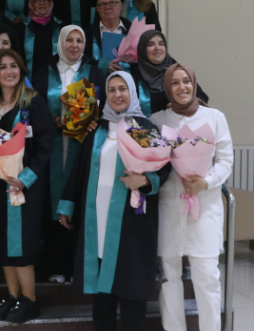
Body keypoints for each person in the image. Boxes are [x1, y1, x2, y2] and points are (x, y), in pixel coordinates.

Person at [58, 71, 170, 331]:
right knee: (102, 293)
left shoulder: (143, 127)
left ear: (132, 93)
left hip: (131, 222)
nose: (117, 94)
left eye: (123, 89)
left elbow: (164, 168)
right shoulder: (97, 129)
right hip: (97, 219)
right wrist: (67, 204)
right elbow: (79, 169)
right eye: (112, 90)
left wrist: (144, 181)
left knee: (131, 287)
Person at [150, 63, 232, 331]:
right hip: (169, 207)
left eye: (186, 81)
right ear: (167, 88)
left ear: (194, 84)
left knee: (207, 276)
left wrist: (205, 182)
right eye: (174, 83)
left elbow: (226, 161)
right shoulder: (157, 121)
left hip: (205, 208)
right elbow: (151, 162)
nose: (181, 87)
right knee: (169, 277)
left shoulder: (214, 117)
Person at [0, 49, 53, 324]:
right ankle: (13, 296)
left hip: (25, 187)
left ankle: (30, 300)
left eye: (14, 66)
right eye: (3, 67)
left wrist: (26, 178)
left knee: (21, 245)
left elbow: (45, 147)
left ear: (21, 70)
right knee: (3, 245)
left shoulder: (34, 103)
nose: (9, 71)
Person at [30, 25, 106, 284]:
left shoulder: (95, 73)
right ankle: (56, 265)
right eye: (69, 40)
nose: (74, 45)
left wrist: (94, 121)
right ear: (60, 43)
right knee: (52, 204)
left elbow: (104, 107)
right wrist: (49, 120)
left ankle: (77, 266)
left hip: (82, 148)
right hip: (50, 147)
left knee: (80, 199)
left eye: (79, 41)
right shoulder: (43, 73)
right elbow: (32, 106)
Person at [130, 30, 208, 116]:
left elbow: (201, 97)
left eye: (161, 44)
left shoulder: (175, 69)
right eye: (151, 44)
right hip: (144, 123)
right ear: (142, 49)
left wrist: (183, 107)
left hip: (177, 122)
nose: (157, 48)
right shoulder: (133, 74)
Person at [85, 0, 132, 72]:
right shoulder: (87, 35)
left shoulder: (133, 30)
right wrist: (102, 65)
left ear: (121, 6)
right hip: (97, 79)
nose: (107, 7)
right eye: (103, 4)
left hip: (127, 79)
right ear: (97, 9)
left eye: (112, 3)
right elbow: (81, 62)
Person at [14, 0, 59, 75]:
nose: (42, 3)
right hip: (28, 78)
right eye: (37, 0)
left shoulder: (61, 27)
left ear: (50, 2)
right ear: (32, 2)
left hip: (55, 78)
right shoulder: (21, 28)